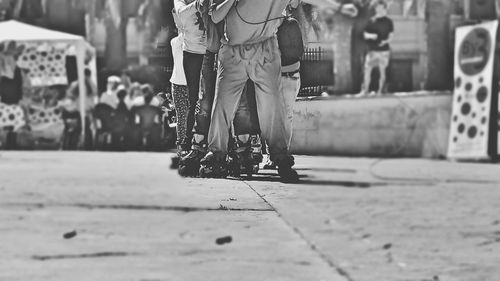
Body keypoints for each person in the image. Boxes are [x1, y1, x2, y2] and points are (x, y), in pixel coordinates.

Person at [198, 0, 301, 182]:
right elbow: (215, 16)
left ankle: (280, 156)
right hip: (232, 51)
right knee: (222, 104)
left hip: (265, 49)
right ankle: (216, 153)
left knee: (273, 106)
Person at [173, 0, 207, 155]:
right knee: (192, 100)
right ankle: (187, 141)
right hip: (192, 53)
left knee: (212, 98)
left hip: (211, 50)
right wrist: (199, 3)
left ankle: (219, 142)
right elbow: (181, 13)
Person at [359, 0, 393, 96]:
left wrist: (385, 42)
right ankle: (365, 91)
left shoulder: (388, 21)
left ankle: (380, 92)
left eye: (381, 7)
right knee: (367, 70)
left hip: (384, 51)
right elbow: (364, 34)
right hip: (372, 51)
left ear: (385, 8)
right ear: (375, 8)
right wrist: (370, 36)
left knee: (382, 71)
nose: (379, 9)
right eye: (377, 7)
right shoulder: (371, 20)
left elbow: (391, 37)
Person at [170, 12, 190, 166]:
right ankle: (182, 148)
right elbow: (182, 31)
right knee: (181, 118)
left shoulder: (193, 40)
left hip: (190, 84)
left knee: (190, 117)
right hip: (179, 84)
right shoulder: (175, 41)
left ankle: (190, 147)